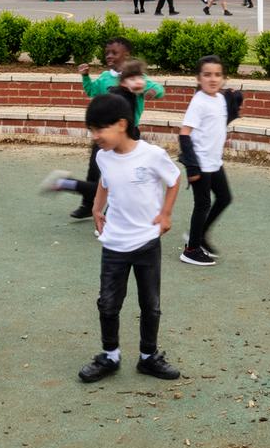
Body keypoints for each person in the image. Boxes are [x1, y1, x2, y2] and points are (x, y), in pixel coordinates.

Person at [77, 91, 182, 383]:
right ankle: (109, 355)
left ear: (121, 124)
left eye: (100, 129)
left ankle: (149, 357)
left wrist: (166, 214)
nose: (95, 136)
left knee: (151, 303)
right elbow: (105, 182)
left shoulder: (151, 155)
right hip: (113, 244)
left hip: (147, 242)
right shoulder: (103, 157)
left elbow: (174, 180)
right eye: (92, 130)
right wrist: (98, 208)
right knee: (108, 303)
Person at [45, 41, 162, 220]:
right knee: (96, 173)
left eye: (114, 53)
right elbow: (92, 91)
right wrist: (85, 77)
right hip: (104, 134)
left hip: (128, 136)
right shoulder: (106, 78)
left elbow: (159, 89)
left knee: (117, 179)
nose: (109, 56)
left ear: (126, 55)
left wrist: (149, 91)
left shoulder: (136, 78)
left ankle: (70, 186)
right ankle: (87, 204)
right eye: (107, 53)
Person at [177, 55, 237, 265]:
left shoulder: (219, 99)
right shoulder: (198, 101)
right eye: (207, 75)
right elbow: (184, 134)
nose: (213, 79)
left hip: (214, 162)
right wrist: (192, 166)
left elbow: (218, 123)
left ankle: (200, 235)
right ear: (198, 78)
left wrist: (234, 105)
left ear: (223, 78)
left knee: (224, 198)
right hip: (200, 163)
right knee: (202, 204)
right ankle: (191, 249)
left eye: (217, 75)